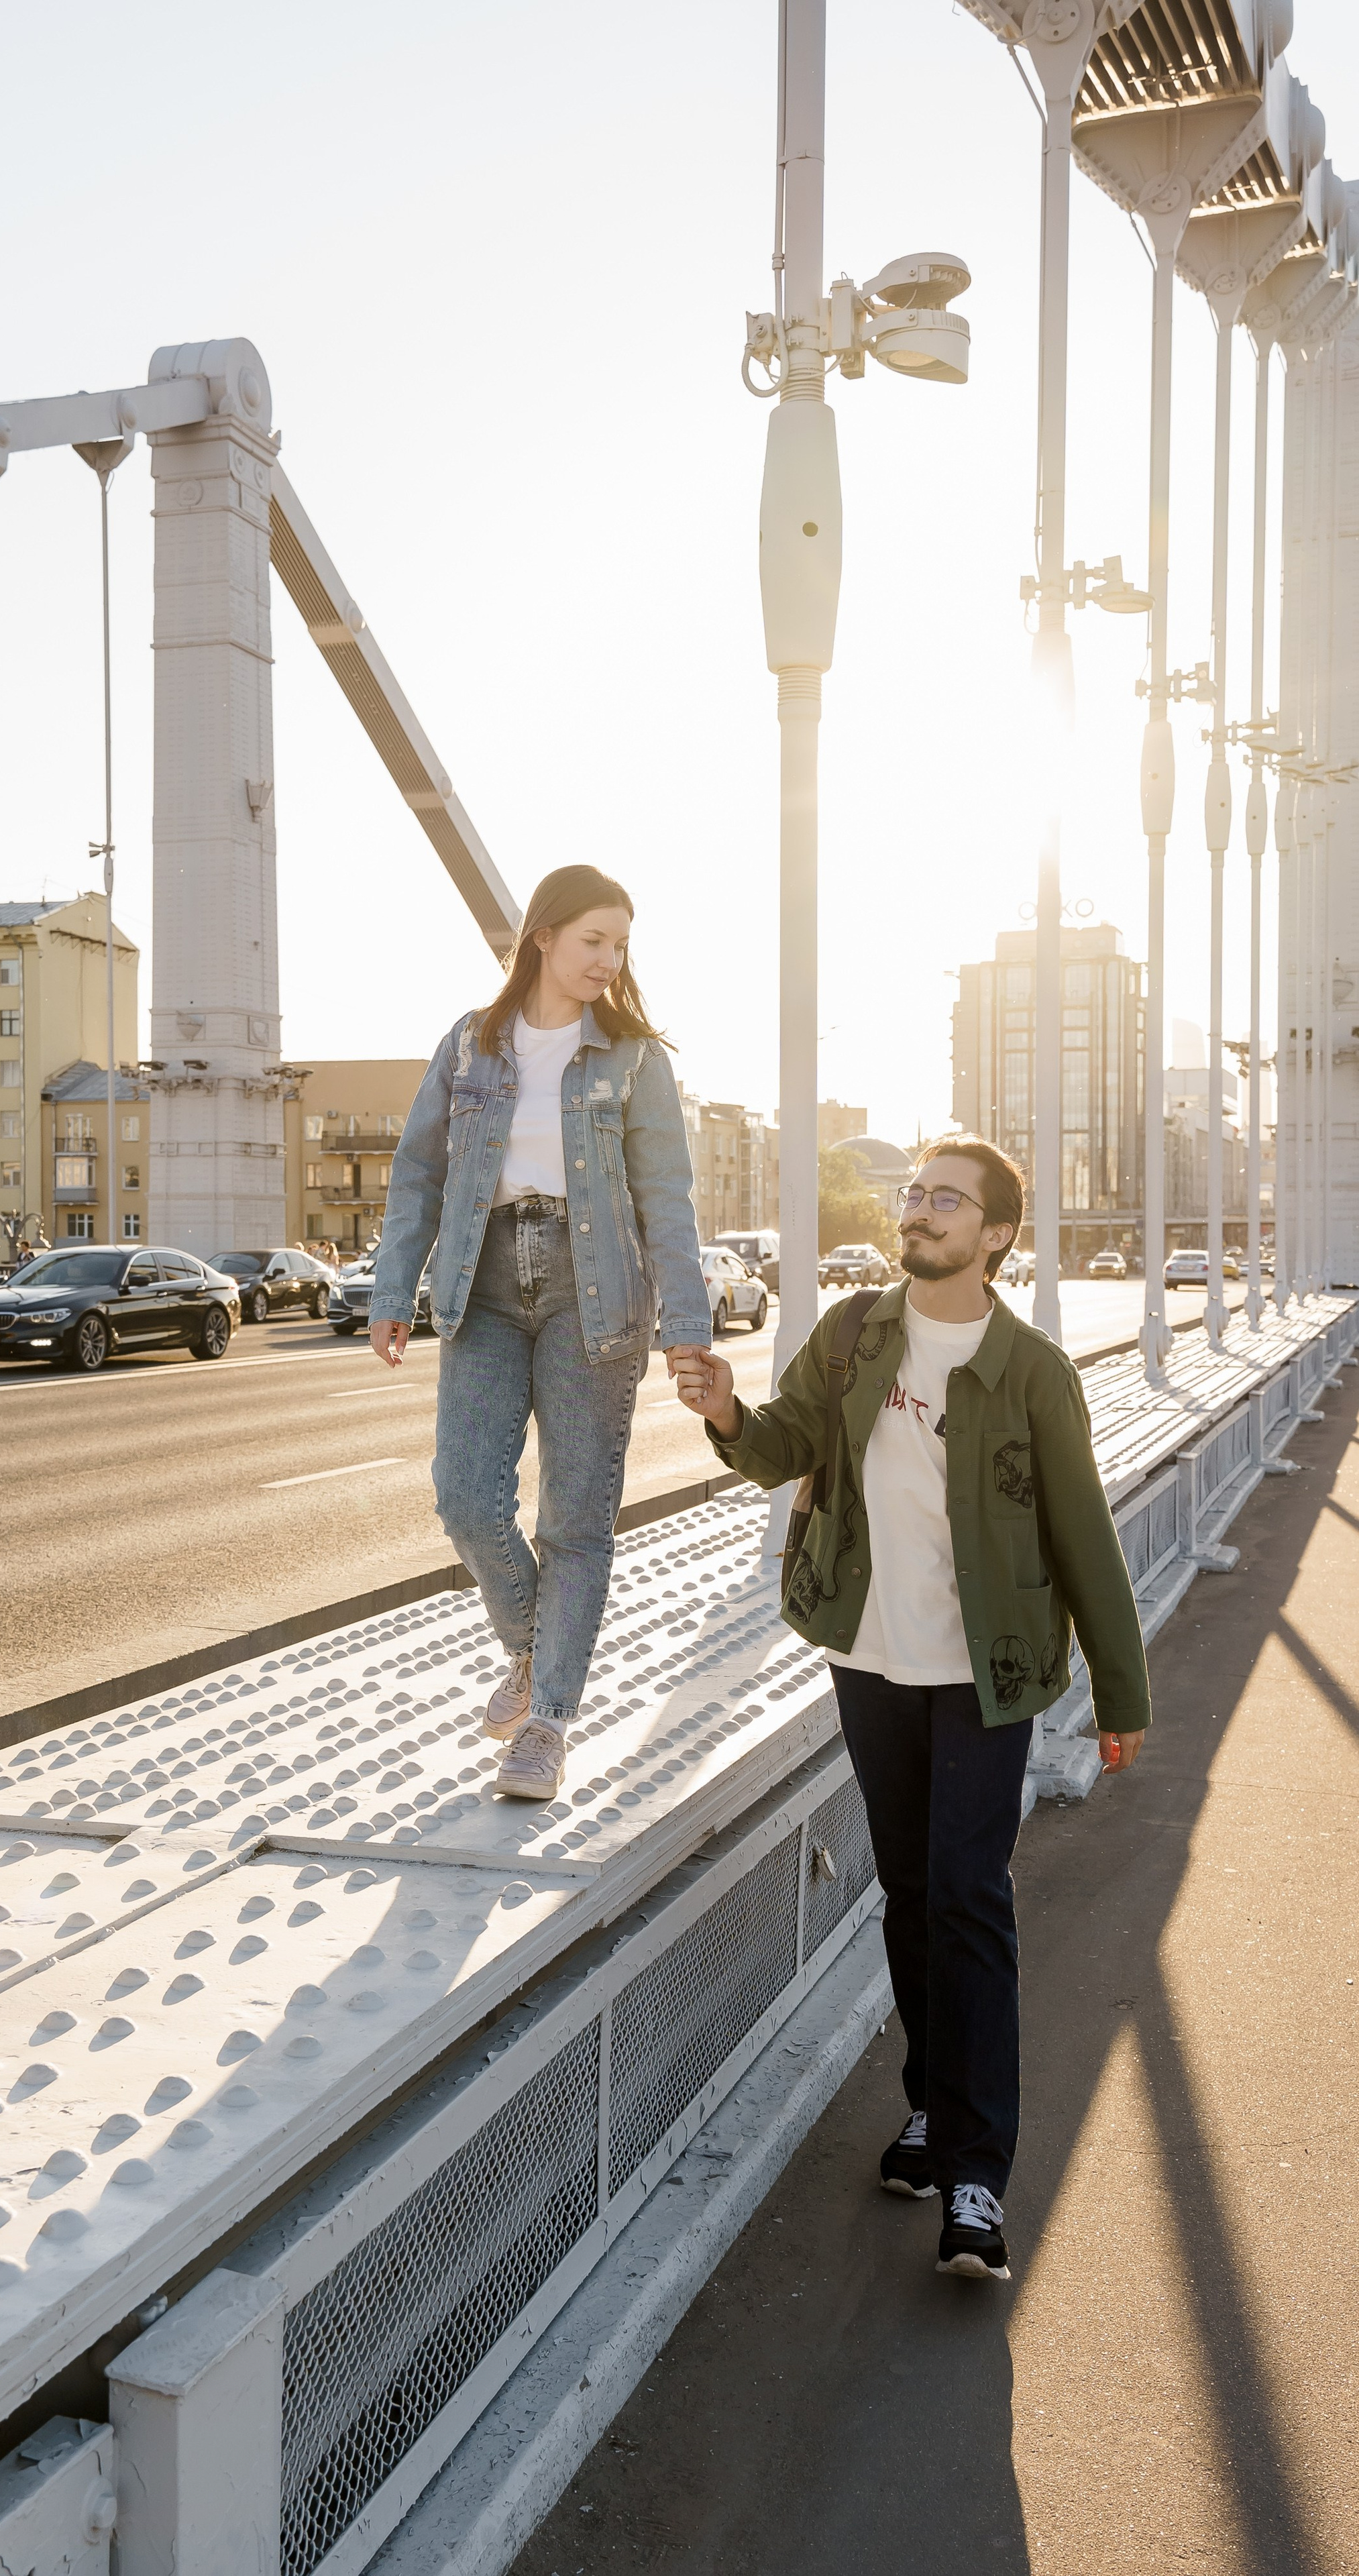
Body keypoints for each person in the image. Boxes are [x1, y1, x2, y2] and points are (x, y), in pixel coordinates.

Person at [668, 1134, 1148, 2284]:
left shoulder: (1034, 1371)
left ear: (995, 1237)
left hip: (988, 1674)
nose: (921, 1209)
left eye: (948, 1199)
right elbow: (787, 1445)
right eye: (916, 1192)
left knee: (973, 1903)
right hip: (872, 1659)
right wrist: (731, 1411)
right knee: (914, 1891)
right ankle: (932, 2109)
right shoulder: (853, 1334)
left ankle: (979, 2175)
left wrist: (1121, 1695)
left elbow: (1083, 1536)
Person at [370, 864, 710, 1799]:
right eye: (595, 939)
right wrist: (392, 1288)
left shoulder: (635, 1059)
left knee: (575, 1518)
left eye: (622, 946)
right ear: (544, 938)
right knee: (467, 1501)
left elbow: (667, 1199)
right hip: (480, 1280)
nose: (610, 960)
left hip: (592, 1289)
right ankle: (534, 1651)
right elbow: (418, 1178)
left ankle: (548, 1722)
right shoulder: (469, 1045)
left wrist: (688, 1324)